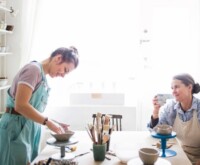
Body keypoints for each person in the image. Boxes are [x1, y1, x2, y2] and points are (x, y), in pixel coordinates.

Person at [0, 46, 79, 165]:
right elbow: (20, 105)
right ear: (58, 58)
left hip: (29, 130)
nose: (63, 75)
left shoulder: (42, 77)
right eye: (65, 70)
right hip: (15, 128)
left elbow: (31, 109)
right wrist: (47, 122)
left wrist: (53, 122)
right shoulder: (33, 70)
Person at [149, 73, 200, 165]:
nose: (173, 91)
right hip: (179, 153)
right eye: (172, 88)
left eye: (176, 87)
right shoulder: (171, 107)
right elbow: (157, 132)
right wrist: (156, 112)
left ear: (189, 87)